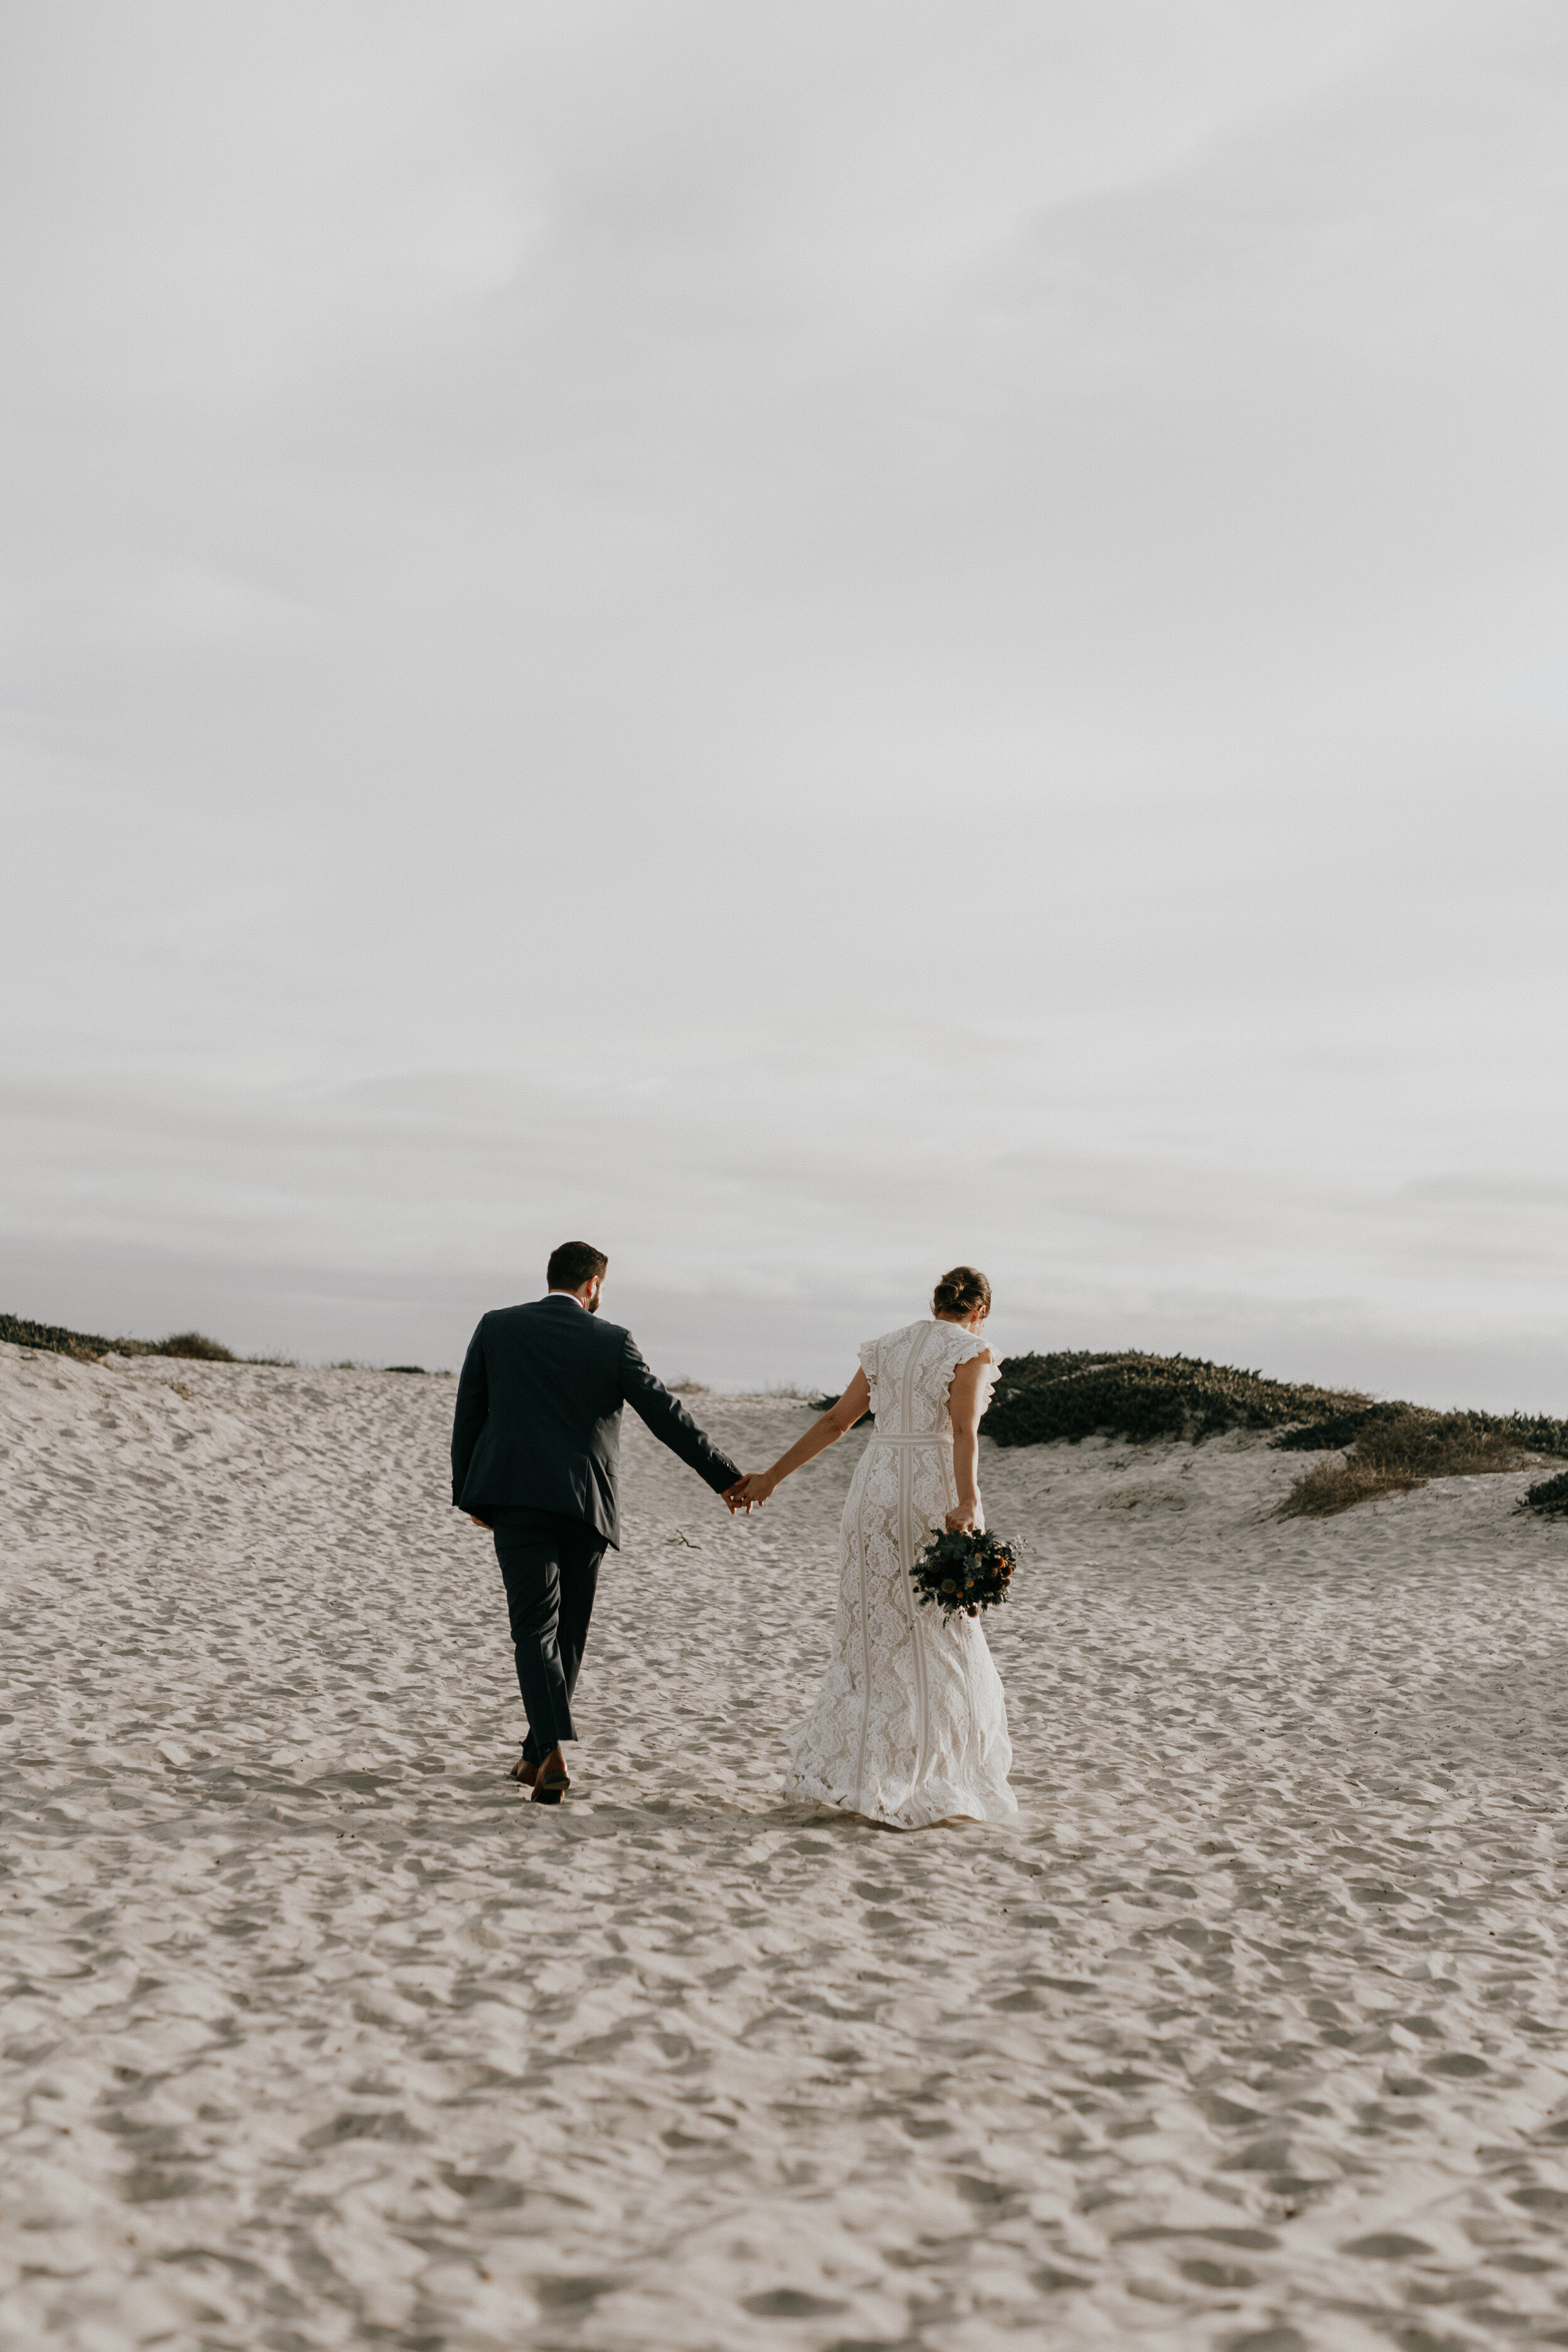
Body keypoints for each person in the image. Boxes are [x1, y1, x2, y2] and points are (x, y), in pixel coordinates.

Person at [452, 1242, 751, 1804]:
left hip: (514, 1498)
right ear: (593, 1285)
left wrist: (468, 1492)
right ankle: (538, 1753)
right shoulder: (612, 1340)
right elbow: (667, 1416)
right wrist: (724, 1478)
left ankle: (548, 1752)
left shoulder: (496, 1327)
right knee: (569, 1634)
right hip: (586, 1506)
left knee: (533, 1630)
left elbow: (470, 1411)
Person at [734, 1267, 1016, 1830]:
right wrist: (967, 1501)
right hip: (926, 1494)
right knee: (940, 1635)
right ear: (980, 1311)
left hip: (873, 1494)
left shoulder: (887, 1347)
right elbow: (963, 1433)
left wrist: (772, 1477)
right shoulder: (973, 1351)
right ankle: (931, 1773)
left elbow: (839, 1421)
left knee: (871, 1636)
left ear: (934, 1304)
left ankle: (862, 1770)